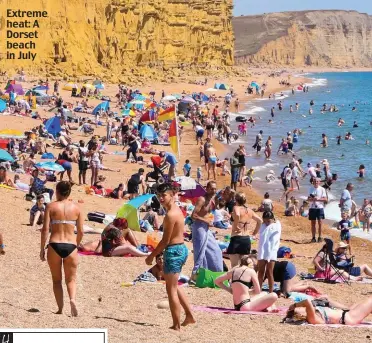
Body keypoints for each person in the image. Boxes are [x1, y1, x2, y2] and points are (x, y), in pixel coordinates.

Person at [146, 182, 195, 331]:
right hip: (180, 249)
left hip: (174, 251)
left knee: (171, 290)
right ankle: (189, 315)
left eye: (164, 195)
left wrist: (152, 256)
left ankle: (176, 325)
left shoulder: (170, 215)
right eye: (159, 195)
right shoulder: (176, 210)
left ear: (172, 195)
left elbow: (165, 240)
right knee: (174, 285)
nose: (161, 198)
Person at [40, 181, 84, 316]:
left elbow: (45, 229)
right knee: (71, 279)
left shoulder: (51, 206)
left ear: (57, 191)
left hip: (55, 244)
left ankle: (60, 309)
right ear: (69, 192)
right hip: (71, 245)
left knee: (56, 279)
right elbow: (81, 231)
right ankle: (72, 300)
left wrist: (42, 248)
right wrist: (75, 244)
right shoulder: (77, 209)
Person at [191, 181, 223, 276]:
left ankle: (215, 273)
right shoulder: (202, 199)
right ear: (207, 188)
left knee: (215, 250)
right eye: (212, 188)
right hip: (199, 227)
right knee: (200, 252)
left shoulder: (212, 199)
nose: (213, 191)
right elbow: (193, 215)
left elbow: (213, 210)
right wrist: (206, 221)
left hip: (206, 227)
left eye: (215, 189)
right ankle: (196, 274)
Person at [227, 192, 262, 268]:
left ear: (236, 199)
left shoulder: (236, 207)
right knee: (244, 266)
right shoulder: (249, 210)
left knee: (234, 266)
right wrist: (255, 232)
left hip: (236, 238)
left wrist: (236, 225)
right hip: (246, 239)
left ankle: (235, 279)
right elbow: (260, 221)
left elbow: (237, 214)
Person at [286, 296, 372, 325]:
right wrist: (294, 305)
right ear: (298, 315)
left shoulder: (314, 314)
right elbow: (307, 302)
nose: (302, 307)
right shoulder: (312, 319)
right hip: (349, 317)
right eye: (299, 309)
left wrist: (328, 300)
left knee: (360, 304)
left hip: (348, 313)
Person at [254, 211, 281, 293]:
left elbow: (274, 240)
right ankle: (258, 289)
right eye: (265, 221)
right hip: (262, 250)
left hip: (272, 251)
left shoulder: (276, 226)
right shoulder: (263, 225)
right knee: (260, 271)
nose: (266, 223)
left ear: (273, 219)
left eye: (268, 221)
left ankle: (271, 291)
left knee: (269, 272)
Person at [308, 178, 327, 243]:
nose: (316, 182)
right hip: (312, 208)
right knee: (313, 223)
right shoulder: (310, 188)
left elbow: (325, 199)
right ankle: (313, 237)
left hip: (319, 208)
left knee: (320, 223)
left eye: (317, 181)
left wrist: (317, 199)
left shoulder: (322, 189)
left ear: (319, 182)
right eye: (314, 181)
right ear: (313, 182)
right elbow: (308, 199)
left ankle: (320, 237)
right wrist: (312, 199)